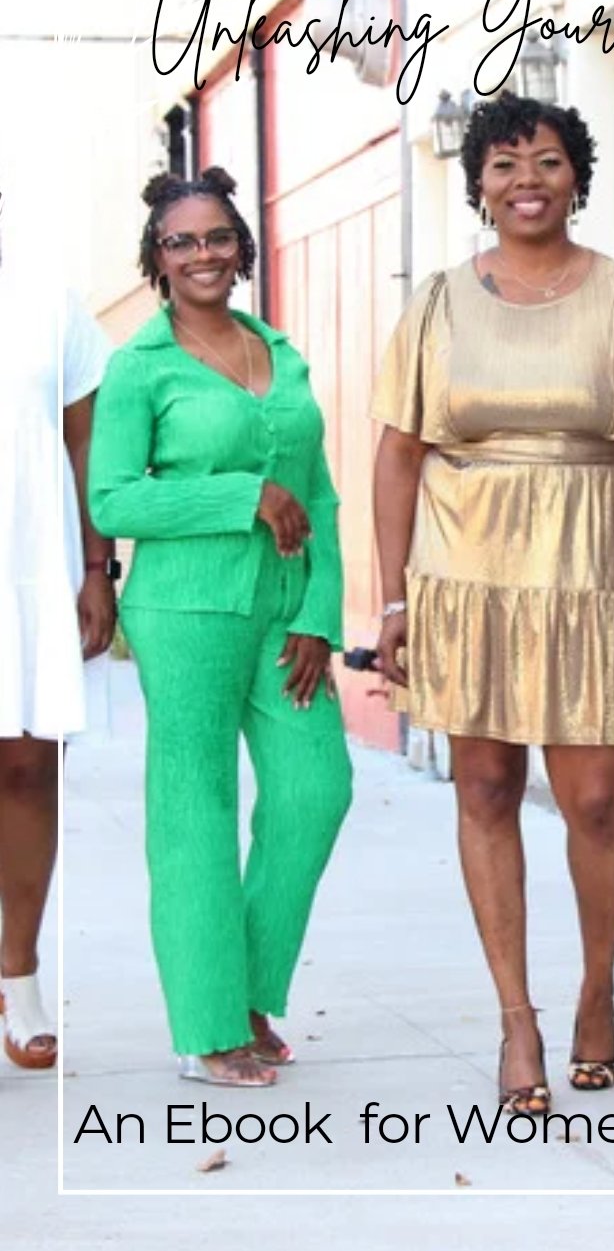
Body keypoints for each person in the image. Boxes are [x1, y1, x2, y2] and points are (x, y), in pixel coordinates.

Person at [372, 93, 614, 1115]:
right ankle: (515, 1015)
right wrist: (392, 600)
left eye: (550, 161)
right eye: (506, 164)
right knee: (484, 788)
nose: (528, 181)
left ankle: (596, 990)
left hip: (587, 575)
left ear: (578, 177)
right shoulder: (438, 303)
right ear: (479, 184)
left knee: (596, 800)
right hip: (467, 576)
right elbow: (397, 452)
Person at [88, 167, 352, 1088]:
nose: (201, 254)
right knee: (194, 808)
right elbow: (113, 499)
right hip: (184, 610)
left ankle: (245, 992)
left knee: (315, 790)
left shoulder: (280, 351)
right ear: (157, 259)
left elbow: (320, 494)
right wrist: (245, 494)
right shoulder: (139, 367)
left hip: (284, 610)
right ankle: (206, 1026)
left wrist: (319, 613)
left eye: (216, 238)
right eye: (181, 242)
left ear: (241, 248)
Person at [0, 189, 116, 1069]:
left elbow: (86, 446)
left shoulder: (49, 301)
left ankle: (20, 974)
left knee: (29, 764)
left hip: (32, 562)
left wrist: (95, 567)